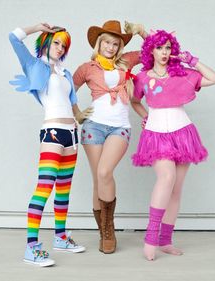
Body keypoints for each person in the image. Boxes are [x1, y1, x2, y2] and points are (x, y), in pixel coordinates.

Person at [131, 29, 215, 261]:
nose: (164, 52)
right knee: (166, 178)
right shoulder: (142, 77)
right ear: (151, 49)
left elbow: (214, 78)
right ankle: (151, 237)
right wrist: (145, 116)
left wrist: (193, 61)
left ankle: (165, 241)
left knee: (176, 189)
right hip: (156, 132)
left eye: (168, 47)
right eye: (160, 47)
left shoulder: (182, 73)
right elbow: (135, 100)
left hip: (183, 132)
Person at [9, 23, 85, 267]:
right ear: (46, 42)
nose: (60, 48)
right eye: (56, 42)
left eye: (63, 45)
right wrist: (36, 26)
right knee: (44, 187)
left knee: (63, 190)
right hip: (52, 132)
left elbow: (72, 103)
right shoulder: (34, 65)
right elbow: (13, 38)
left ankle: (61, 237)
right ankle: (31, 247)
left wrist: (84, 118)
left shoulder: (66, 73)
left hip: (71, 134)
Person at [72, 20, 147, 254]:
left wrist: (141, 31)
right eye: (107, 42)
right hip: (93, 126)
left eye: (115, 43)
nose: (111, 47)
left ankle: (109, 226)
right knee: (98, 179)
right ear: (99, 43)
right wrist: (77, 114)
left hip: (119, 127)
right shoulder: (87, 67)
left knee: (105, 172)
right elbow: (65, 89)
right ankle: (105, 232)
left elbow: (154, 49)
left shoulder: (127, 62)